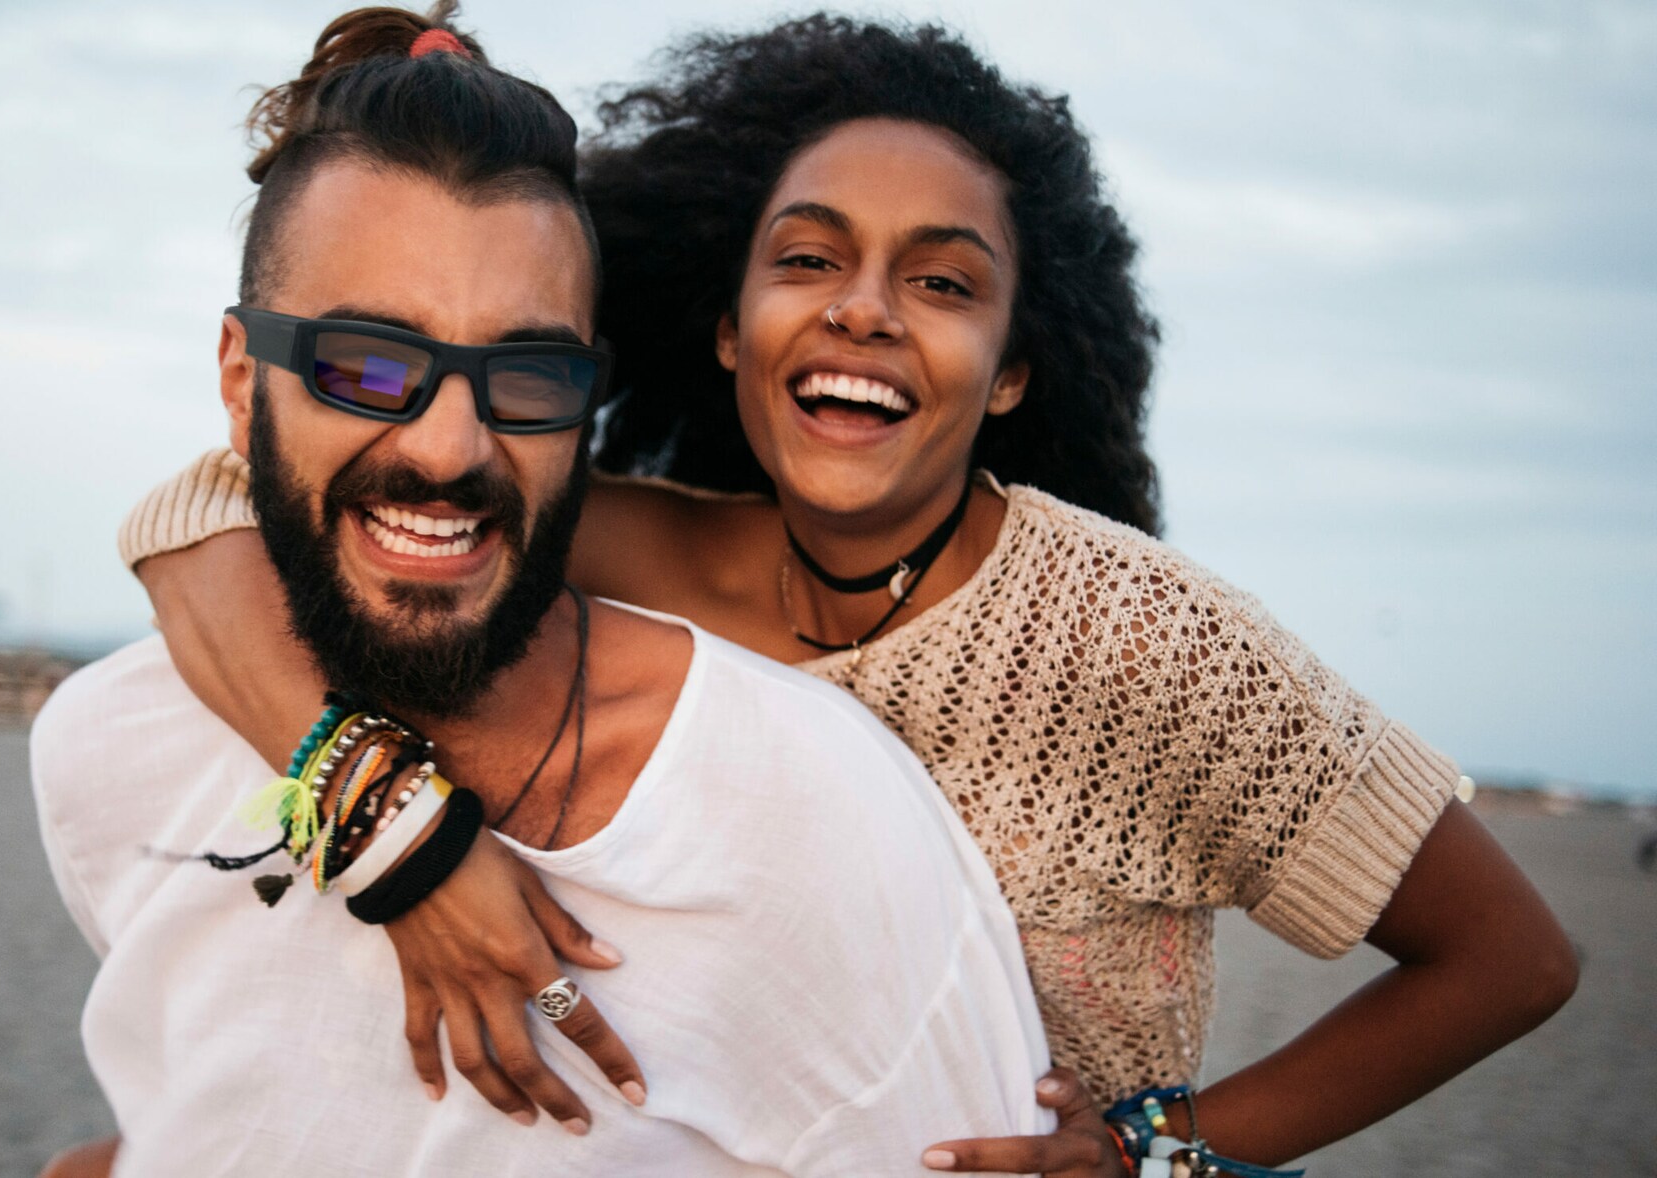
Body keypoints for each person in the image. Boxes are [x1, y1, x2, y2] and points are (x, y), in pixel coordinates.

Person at [125, 9, 1579, 1176]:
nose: (863, 308)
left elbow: (1511, 959)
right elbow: (207, 515)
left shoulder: (1144, 639)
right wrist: (395, 828)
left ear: (1014, 366)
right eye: (807, 258)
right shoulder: (611, 543)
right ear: (726, 323)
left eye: (943, 283)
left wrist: (1159, 1153)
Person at [32, 8, 1055, 1176]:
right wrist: (385, 822)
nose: (448, 447)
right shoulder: (105, 747)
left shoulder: (815, 820)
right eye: (365, 364)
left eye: (524, 376)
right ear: (237, 379)